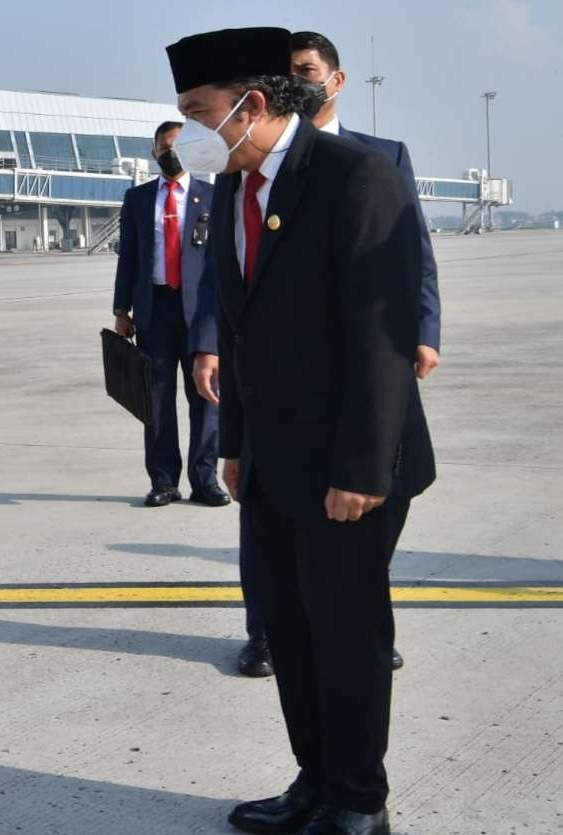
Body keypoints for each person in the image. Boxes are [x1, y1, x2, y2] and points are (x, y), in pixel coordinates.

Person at [167, 27, 435, 835]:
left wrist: (360, 466)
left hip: (349, 463)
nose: (189, 134)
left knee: (345, 634)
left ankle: (358, 801)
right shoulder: (233, 189)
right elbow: (242, 329)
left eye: (198, 112)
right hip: (273, 460)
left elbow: (381, 337)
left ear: (250, 105)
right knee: (287, 625)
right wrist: (233, 444)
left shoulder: (357, 177)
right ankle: (314, 779)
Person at [289, 30, 442, 381]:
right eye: (288, 75)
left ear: (336, 80)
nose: (295, 83)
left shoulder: (385, 157)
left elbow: (414, 250)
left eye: (306, 71)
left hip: (374, 336)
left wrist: (426, 330)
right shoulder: (263, 163)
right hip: (289, 342)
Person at [113, 121, 227, 509]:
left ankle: (205, 479)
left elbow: (223, 261)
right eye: (164, 148)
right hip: (154, 310)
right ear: (153, 153)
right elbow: (128, 255)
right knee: (157, 400)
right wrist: (120, 309)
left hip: (202, 313)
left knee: (206, 396)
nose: (171, 154)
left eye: (177, 148)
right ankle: (163, 481)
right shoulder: (139, 199)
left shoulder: (213, 196)